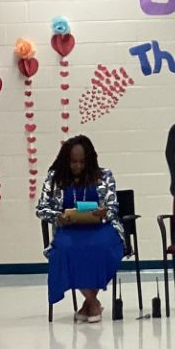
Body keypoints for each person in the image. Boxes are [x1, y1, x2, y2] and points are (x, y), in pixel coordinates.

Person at [36, 135, 125, 323]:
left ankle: (88, 305)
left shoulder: (104, 175)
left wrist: (104, 212)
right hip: (68, 229)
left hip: (100, 228)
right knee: (68, 250)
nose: (77, 166)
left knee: (102, 248)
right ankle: (93, 303)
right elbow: (42, 209)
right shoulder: (54, 178)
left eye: (82, 162)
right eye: (73, 162)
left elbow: (113, 207)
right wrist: (58, 216)